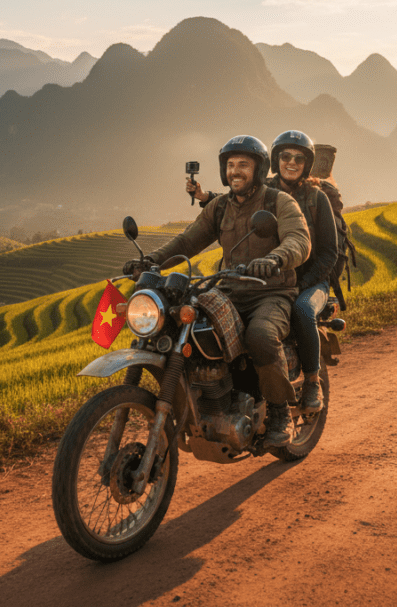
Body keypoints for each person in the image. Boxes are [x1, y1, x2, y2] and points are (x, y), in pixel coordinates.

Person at [131, 135, 311, 445]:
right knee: (184, 328)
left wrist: (274, 258)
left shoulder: (278, 201)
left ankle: (280, 411)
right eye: (230, 165)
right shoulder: (219, 207)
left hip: (270, 293)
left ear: (258, 168)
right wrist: (150, 261)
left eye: (243, 164)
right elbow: (187, 242)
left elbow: (299, 240)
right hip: (228, 291)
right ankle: (208, 400)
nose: (235, 171)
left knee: (260, 335)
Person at [266, 130, 338, 413]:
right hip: (272, 281)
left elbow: (329, 253)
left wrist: (303, 283)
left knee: (303, 311)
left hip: (312, 282)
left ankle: (311, 381)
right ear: (276, 160)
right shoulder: (265, 194)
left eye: (298, 158)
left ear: (307, 164)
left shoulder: (316, 198)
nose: (291, 162)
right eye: (285, 156)